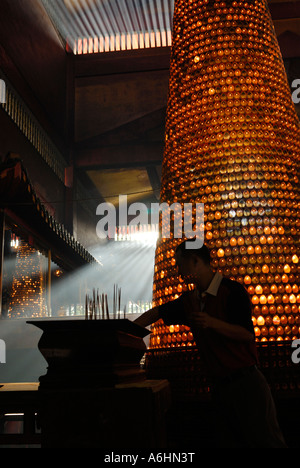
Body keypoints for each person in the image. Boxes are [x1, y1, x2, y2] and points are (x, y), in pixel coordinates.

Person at [135, 240, 287, 448]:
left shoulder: (232, 291)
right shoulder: (189, 300)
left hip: (247, 383)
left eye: (180, 265)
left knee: (265, 441)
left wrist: (211, 322)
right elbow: (158, 312)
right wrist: (128, 330)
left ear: (195, 261)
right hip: (219, 388)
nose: (179, 272)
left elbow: (246, 335)